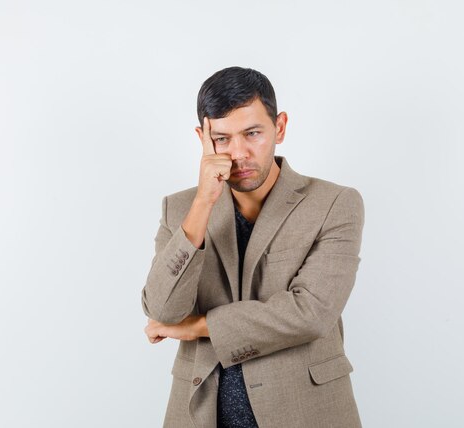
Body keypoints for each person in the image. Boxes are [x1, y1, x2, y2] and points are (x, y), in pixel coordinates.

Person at [141, 66, 365, 428]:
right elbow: (163, 310)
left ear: (279, 127)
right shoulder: (181, 209)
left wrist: (197, 327)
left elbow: (310, 314)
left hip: (304, 411)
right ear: (202, 137)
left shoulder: (334, 203)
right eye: (222, 138)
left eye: (252, 133)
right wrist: (202, 204)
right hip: (201, 414)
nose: (239, 153)